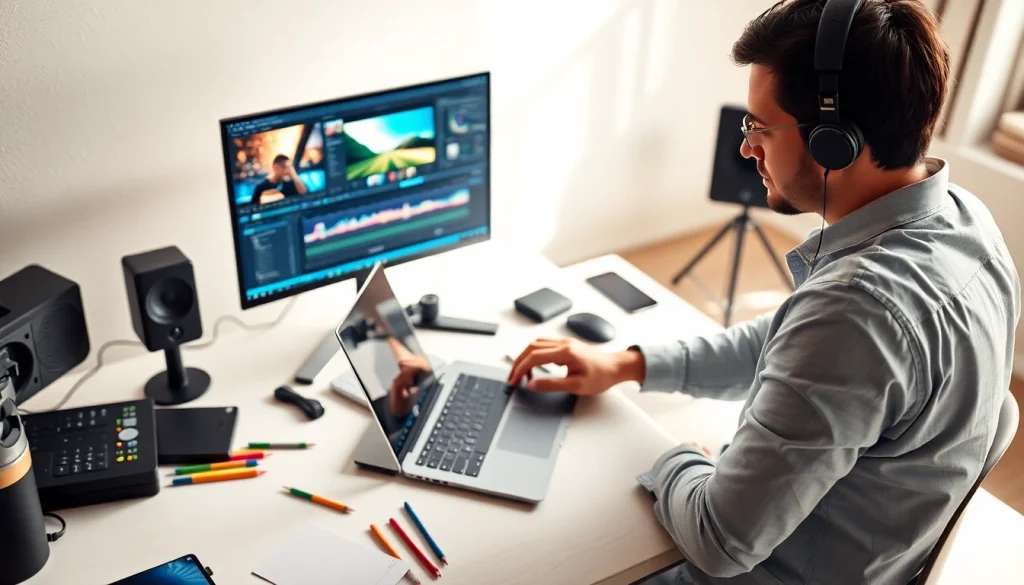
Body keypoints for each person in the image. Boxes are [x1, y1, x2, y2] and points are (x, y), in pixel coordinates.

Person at [508, 1, 1021, 584]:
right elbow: (791, 337)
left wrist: (676, 459)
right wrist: (630, 364)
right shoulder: (965, 222)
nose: (746, 146)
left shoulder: (859, 311)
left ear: (834, 142)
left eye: (757, 126)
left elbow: (720, 542)